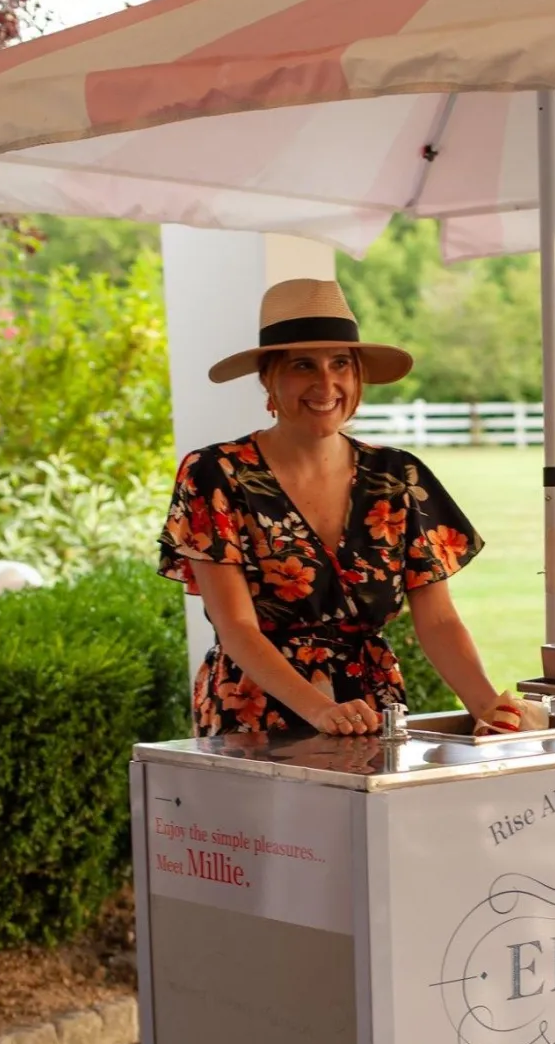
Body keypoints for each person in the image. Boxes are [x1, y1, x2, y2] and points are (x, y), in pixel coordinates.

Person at [158, 277, 529, 740]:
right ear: (268, 378)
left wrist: (488, 708)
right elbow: (236, 627)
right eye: (302, 366)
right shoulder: (214, 474)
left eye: (340, 364)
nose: (326, 383)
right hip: (254, 710)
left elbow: (437, 620)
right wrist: (320, 710)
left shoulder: (397, 476)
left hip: (372, 708)